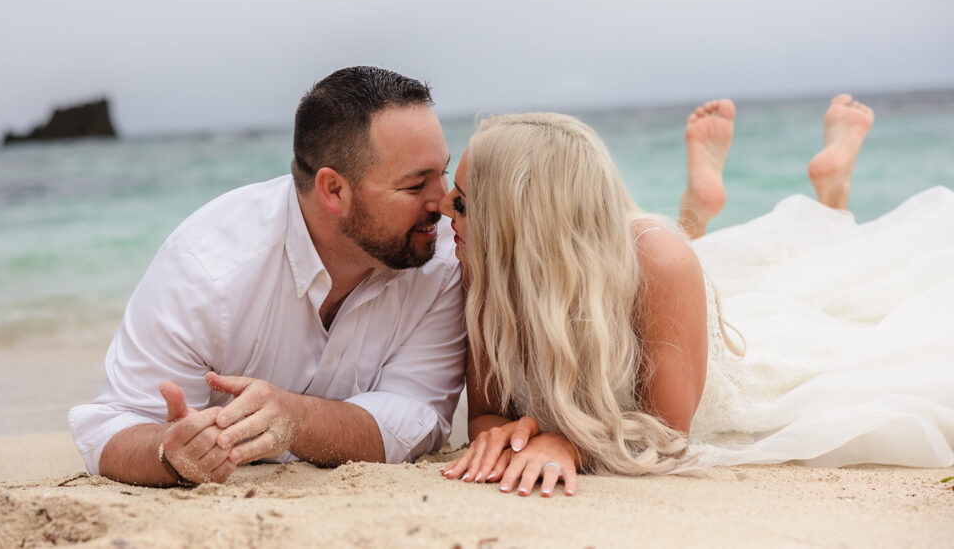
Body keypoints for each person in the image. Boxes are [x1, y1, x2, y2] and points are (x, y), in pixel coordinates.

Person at [440, 95, 954, 497]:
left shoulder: (659, 263)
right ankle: (700, 209)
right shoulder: (482, 264)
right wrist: (499, 437)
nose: (443, 207)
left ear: (519, 222)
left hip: (709, 366)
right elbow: (487, 410)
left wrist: (569, 444)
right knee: (733, 266)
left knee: (816, 283)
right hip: (615, 277)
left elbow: (668, 432)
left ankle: (832, 196)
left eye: (462, 201)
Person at [69, 66, 466, 486]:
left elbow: (418, 418)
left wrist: (295, 419)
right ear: (333, 191)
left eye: (443, 172)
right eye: (415, 185)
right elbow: (113, 430)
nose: (442, 202)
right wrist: (169, 453)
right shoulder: (206, 270)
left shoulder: (442, 255)